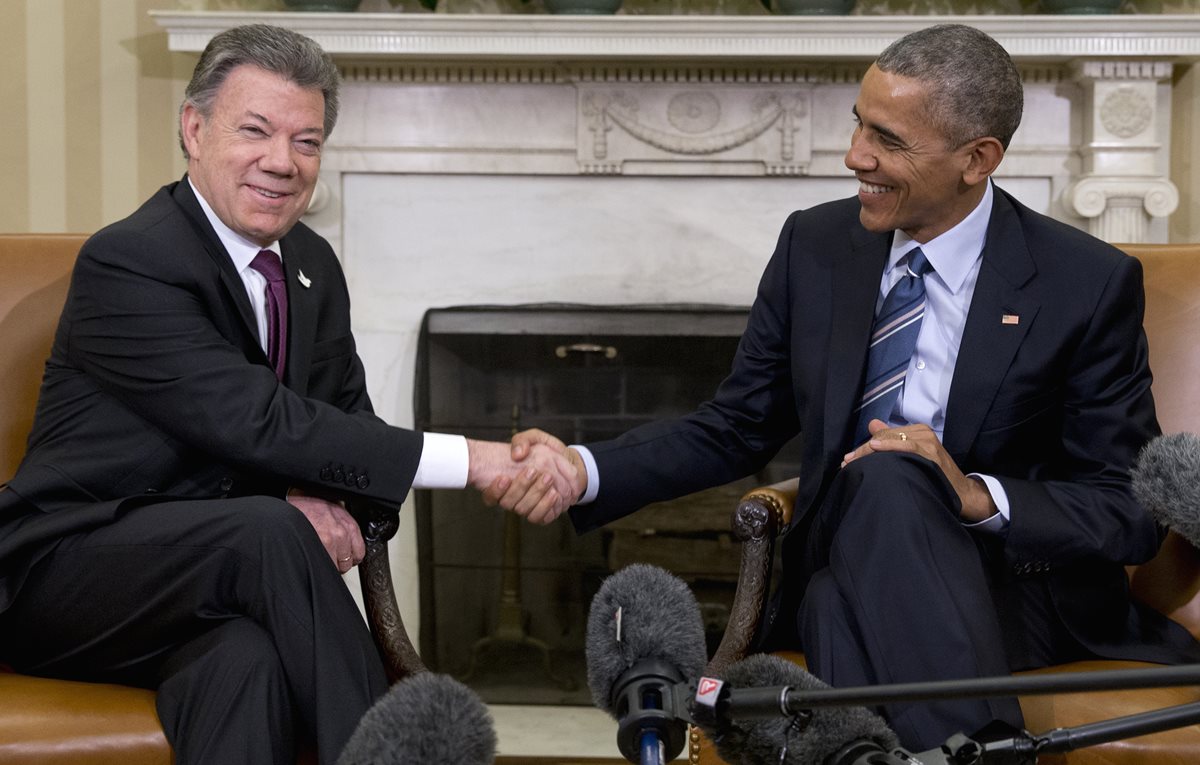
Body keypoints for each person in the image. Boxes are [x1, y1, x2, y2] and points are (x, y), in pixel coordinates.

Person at [491, 23, 1200, 750]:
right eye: (858, 123)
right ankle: (977, 746)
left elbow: (1128, 510)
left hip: (1011, 591)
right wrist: (585, 468)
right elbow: (737, 424)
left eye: (889, 140)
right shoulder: (816, 247)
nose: (855, 155)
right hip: (851, 551)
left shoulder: (1082, 283)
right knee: (873, 512)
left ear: (977, 158)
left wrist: (972, 492)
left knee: (844, 583)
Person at [0, 24, 576, 765]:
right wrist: (479, 461)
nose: (282, 162)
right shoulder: (131, 261)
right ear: (194, 127)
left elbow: (347, 431)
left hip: (206, 594)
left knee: (243, 665)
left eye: (307, 141)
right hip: (65, 575)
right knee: (269, 532)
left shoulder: (309, 263)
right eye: (255, 130)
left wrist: (331, 499)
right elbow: (257, 422)